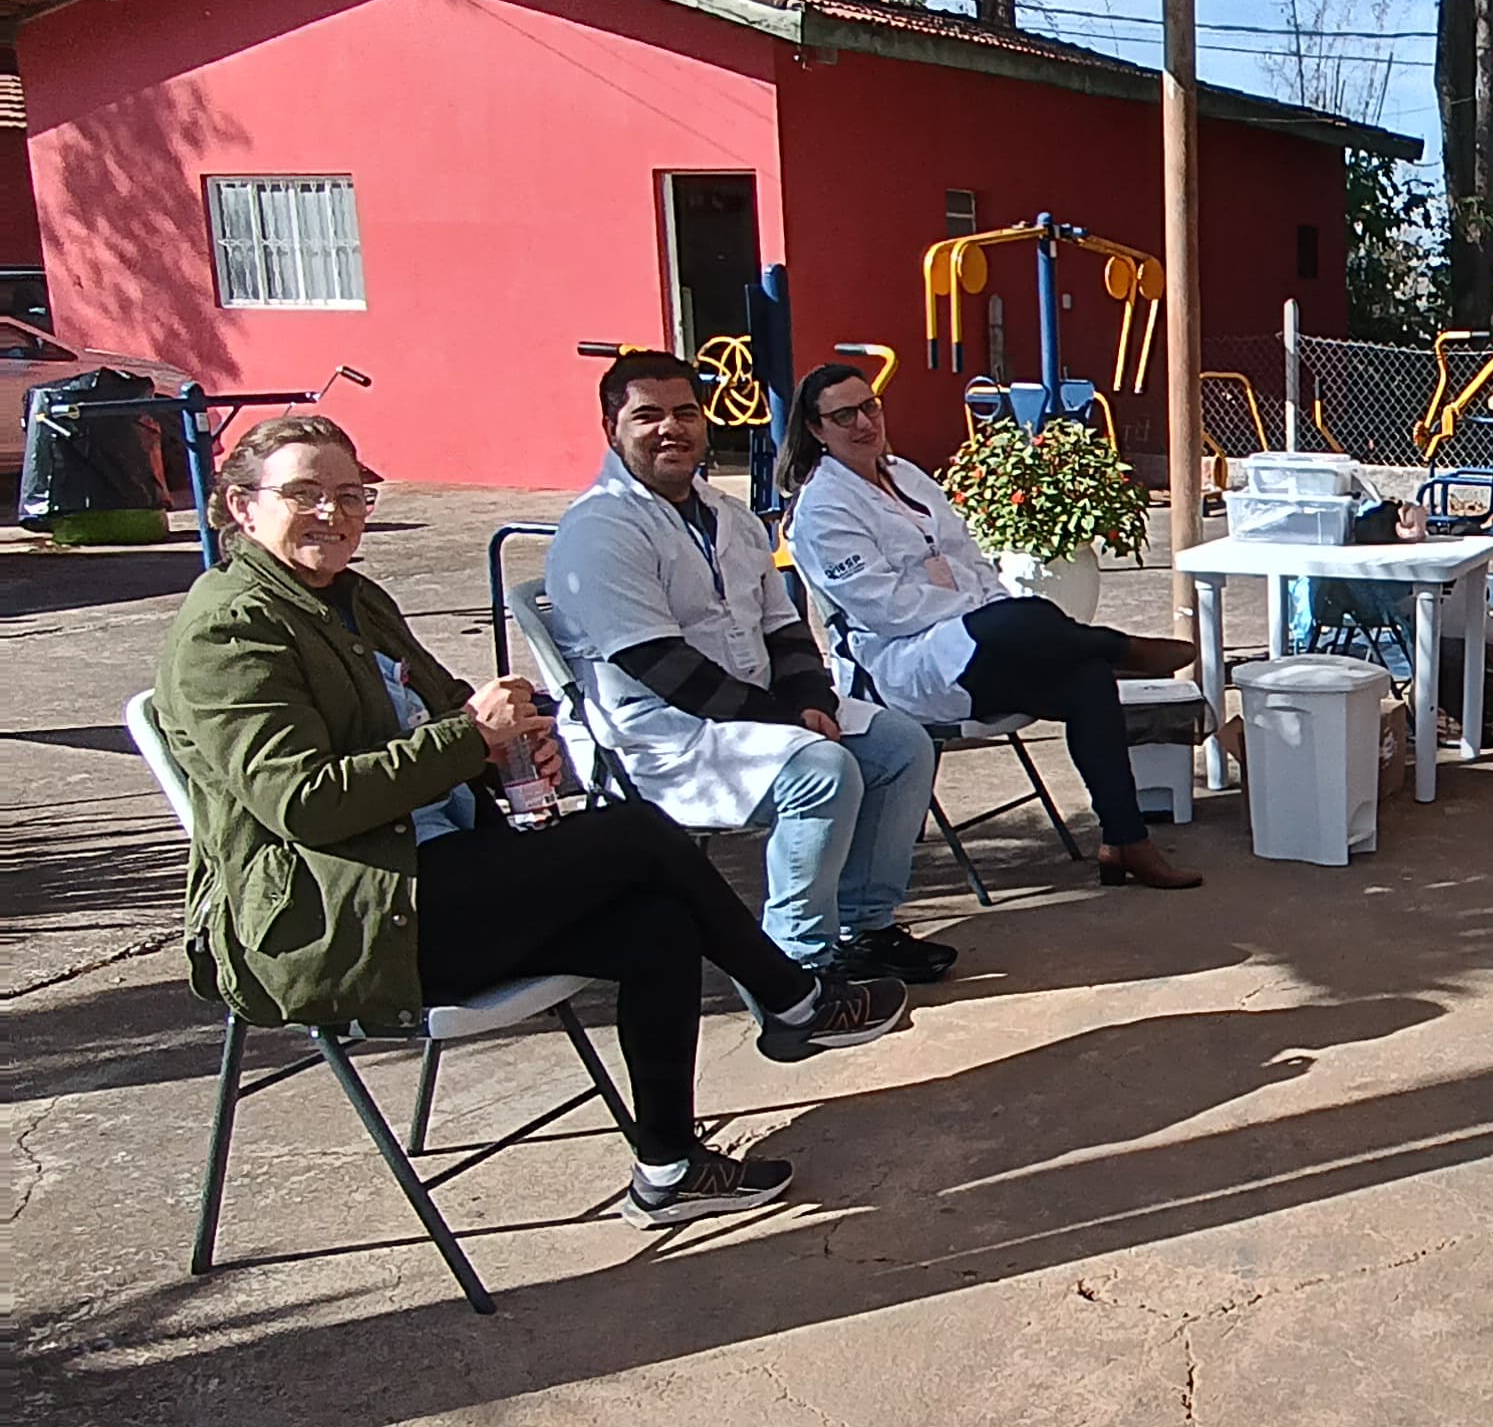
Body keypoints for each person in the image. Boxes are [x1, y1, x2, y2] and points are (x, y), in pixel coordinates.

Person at [153, 417, 911, 1228]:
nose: (335, 515)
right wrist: (468, 740)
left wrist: (512, 742)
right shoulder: (230, 630)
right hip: (347, 914)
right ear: (240, 507)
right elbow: (305, 803)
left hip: (435, 869)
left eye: (351, 495)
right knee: (633, 833)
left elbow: (444, 706)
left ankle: (669, 1166)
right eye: (306, 495)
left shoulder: (350, 597)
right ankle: (792, 998)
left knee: (655, 924)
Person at [544, 351, 953, 985]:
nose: (671, 428)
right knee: (822, 771)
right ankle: (794, 963)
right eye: (647, 415)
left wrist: (811, 694)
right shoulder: (600, 530)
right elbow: (659, 665)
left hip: (756, 711)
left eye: (685, 412)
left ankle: (864, 927)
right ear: (610, 428)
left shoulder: (729, 515)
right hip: (665, 735)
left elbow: (782, 625)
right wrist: (790, 719)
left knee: (901, 745)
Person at [778, 364, 1205, 889]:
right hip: (900, 660)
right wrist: (974, 617)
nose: (864, 422)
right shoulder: (821, 507)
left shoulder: (906, 476)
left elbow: (970, 558)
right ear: (816, 429)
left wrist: (986, 613)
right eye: (844, 415)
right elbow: (882, 607)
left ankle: (1125, 842)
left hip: (975, 642)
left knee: (1084, 675)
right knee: (1028, 630)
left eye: (870, 407)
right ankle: (1119, 648)